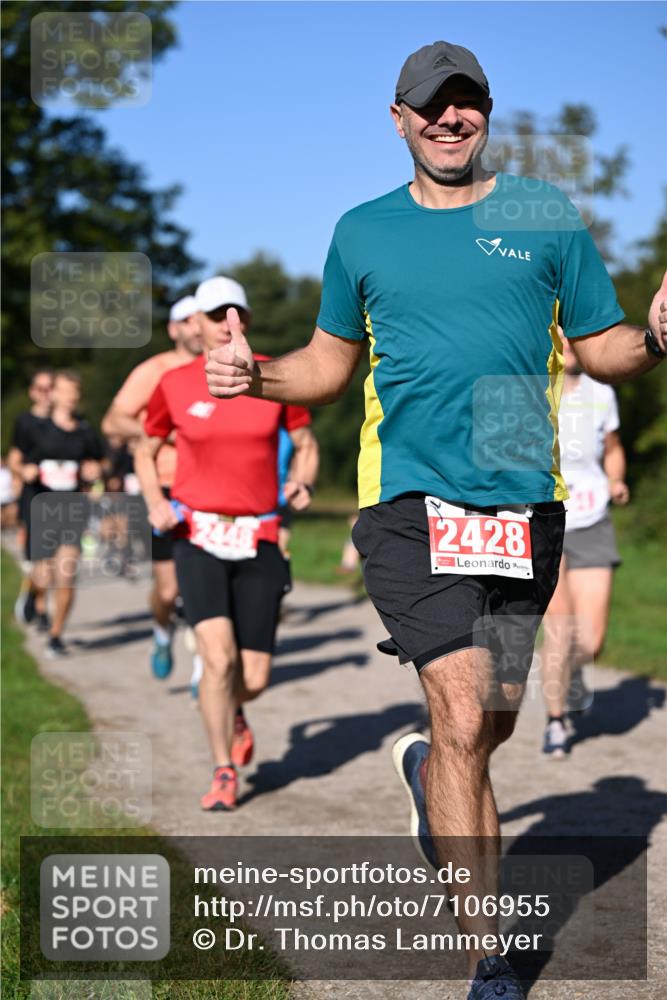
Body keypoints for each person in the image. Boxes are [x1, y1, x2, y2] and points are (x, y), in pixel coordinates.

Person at [205, 40, 667, 999]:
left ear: (486, 113)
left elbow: (601, 350)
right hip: (410, 505)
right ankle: (488, 954)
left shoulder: (542, 216)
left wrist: (659, 336)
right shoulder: (362, 232)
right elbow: (328, 369)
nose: (449, 119)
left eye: (467, 105)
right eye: (430, 106)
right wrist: (258, 377)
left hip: (522, 506)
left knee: (486, 724)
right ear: (398, 118)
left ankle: (427, 776)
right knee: (461, 711)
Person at [135, 276, 318, 811]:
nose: (226, 322)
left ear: (248, 320)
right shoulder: (175, 383)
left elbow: (305, 445)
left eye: (236, 311)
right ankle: (222, 770)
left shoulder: (272, 377)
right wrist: (153, 500)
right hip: (198, 535)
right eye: (217, 314)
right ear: (198, 323)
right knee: (216, 661)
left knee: (253, 677)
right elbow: (145, 451)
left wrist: (301, 480)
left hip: (259, 533)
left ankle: (235, 709)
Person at [102, 296, 203, 680]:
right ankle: (162, 630)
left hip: (216, 490)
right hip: (166, 488)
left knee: (207, 585)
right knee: (167, 590)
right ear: (174, 329)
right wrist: (167, 433)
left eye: (202, 319)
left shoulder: (224, 368)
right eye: (187, 321)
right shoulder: (155, 370)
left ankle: (204, 670)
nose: (196, 328)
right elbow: (113, 422)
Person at [540, 332, 629, 758]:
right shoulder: (533, 392)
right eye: (563, 343)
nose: (570, 348)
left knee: (590, 641)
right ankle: (556, 722)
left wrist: (616, 478)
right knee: (561, 627)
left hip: (593, 521)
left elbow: (612, 448)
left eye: (576, 341)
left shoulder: (602, 394)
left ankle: (570, 675)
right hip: (547, 524)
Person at [18, 370, 103, 657]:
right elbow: (17, 459)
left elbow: (97, 465)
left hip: (72, 508)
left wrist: (94, 473)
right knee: (45, 574)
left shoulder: (85, 431)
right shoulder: (33, 428)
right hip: (40, 504)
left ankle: (55, 635)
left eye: (74, 391)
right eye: (65, 390)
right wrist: (23, 470)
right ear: (52, 393)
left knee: (66, 573)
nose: (70, 397)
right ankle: (35, 594)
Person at [9, 367, 54, 629]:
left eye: (51, 388)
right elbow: (15, 459)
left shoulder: (68, 421)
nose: (46, 394)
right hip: (35, 497)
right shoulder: (25, 422)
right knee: (41, 559)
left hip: (63, 499)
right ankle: (39, 605)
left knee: (54, 560)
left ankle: (38, 603)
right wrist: (22, 470)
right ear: (32, 392)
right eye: (41, 389)